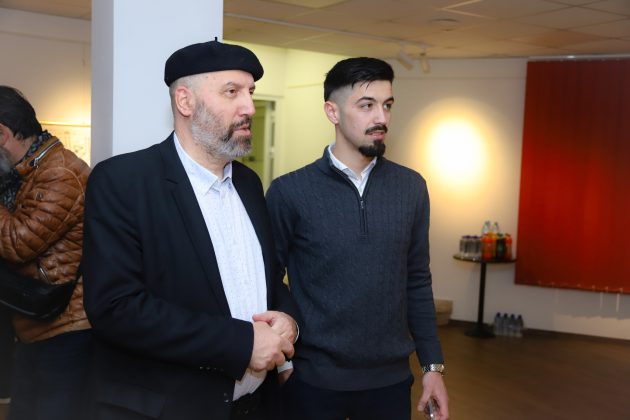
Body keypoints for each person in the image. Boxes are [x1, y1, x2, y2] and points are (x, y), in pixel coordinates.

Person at [82, 40, 300, 420]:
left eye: (250, 92)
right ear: (185, 101)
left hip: (256, 408)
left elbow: (262, 279)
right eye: (231, 92)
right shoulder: (123, 181)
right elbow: (116, 308)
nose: (249, 107)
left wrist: (287, 319)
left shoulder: (248, 183)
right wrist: (241, 343)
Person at [266, 57, 450, 420]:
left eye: (387, 105)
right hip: (312, 381)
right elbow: (268, 278)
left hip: (390, 382)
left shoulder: (411, 188)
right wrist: (283, 362)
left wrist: (432, 367)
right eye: (367, 105)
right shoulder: (290, 191)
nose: (381, 117)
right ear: (332, 112)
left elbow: (417, 280)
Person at [0, 86, 92, 420]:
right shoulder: (25, 171)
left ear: (2, 133)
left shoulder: (59, 172)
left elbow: (17, 243)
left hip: (65, 330)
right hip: (35, 324)